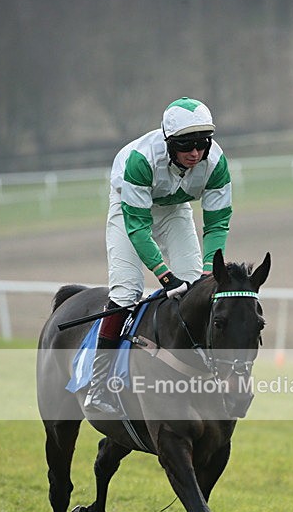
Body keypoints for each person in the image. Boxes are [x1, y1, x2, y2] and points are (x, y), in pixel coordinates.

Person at [84, 97, 233, 414]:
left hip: (174, 208)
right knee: (126, 292)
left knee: (195, 290)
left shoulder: (216, 162)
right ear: (169, 142)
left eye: (202, 144)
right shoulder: (141, 160)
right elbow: (138, 228)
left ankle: (196, 378)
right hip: (130, 210)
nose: (195, 153)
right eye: (186, 145)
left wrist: (209, 269)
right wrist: (165, 277)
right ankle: (99, 385)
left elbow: (217, 223)